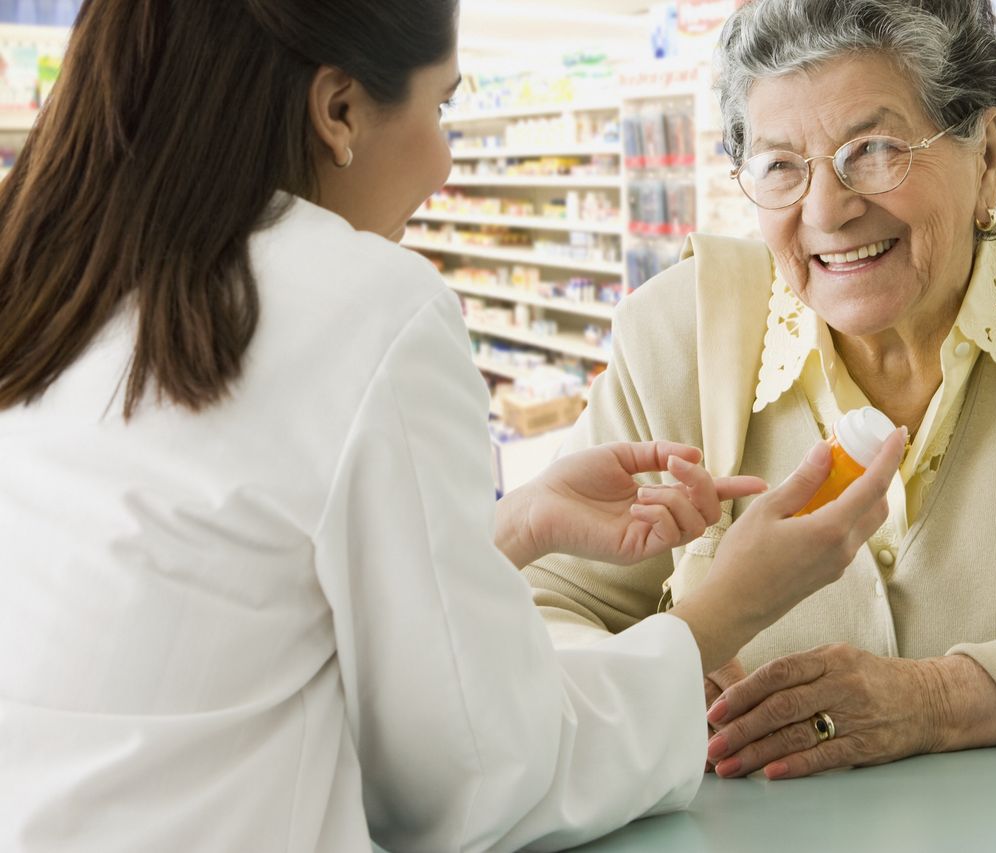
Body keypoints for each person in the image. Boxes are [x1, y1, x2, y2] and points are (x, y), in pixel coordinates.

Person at [0, 2, 905, 851]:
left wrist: (498, 532)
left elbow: (233, 595)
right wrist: (721, 612)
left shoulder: (49, 281)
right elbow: (472, 781)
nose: (442, 166)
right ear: (339, 109)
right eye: (441, 107)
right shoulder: (366, 310)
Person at [525, 0, 996, 782]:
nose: (827, 210)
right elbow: (532, 614)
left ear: (988, 155)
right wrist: (667, 658)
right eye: (782, 165)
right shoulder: (677, 336)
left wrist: (946, 697)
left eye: (875, 149)